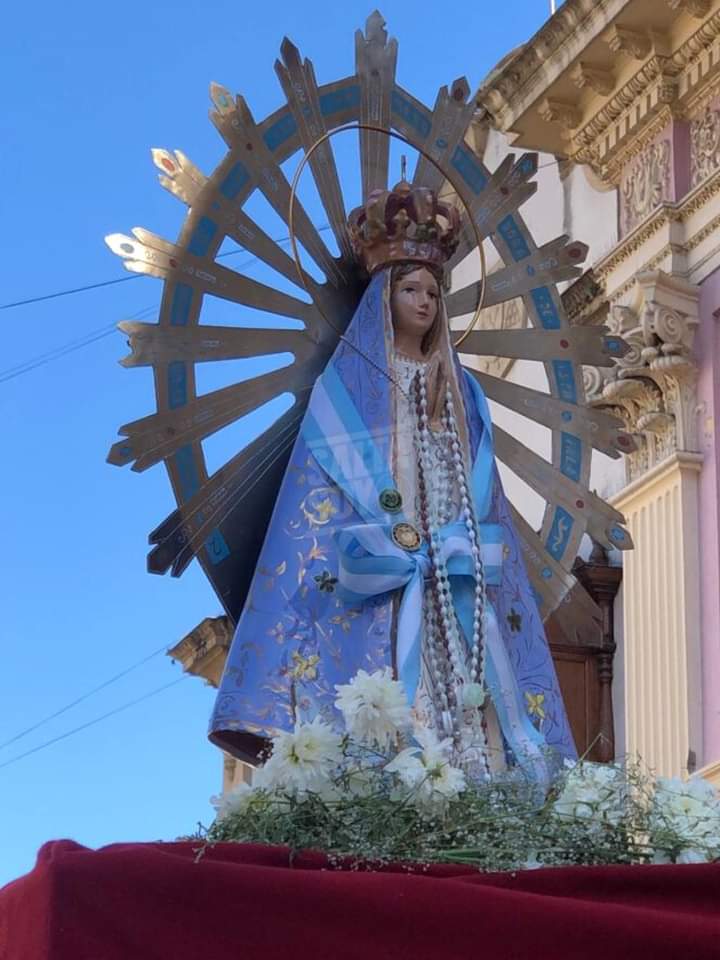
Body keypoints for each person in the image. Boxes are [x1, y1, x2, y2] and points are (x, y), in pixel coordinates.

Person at [209, 179, 576, 781]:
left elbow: (475, 477)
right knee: (390, 700)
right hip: (384, 570)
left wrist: (451, 528)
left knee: (469, 683)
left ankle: (468, 772)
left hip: (450, 572)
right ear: (385, 295)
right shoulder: (348, 388)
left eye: (433, 291)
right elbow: (321, 492)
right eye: (411, 289)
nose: (425, 302)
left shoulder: (460, 389)